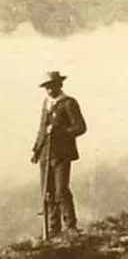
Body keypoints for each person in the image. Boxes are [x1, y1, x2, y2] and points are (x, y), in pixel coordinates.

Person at [31, 71, 86, 237]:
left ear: (59, 85)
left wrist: (60, 132)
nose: (49, 90)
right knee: (47, 192)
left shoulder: (68, 103)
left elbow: (80, 127)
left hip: (62, 153)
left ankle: (70, 226)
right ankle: (53, 229)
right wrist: (36, 149)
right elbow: (42, 129)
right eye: (46, 87)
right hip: (45, 154)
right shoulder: (46, 103)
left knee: (61, 190)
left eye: (51, 86)